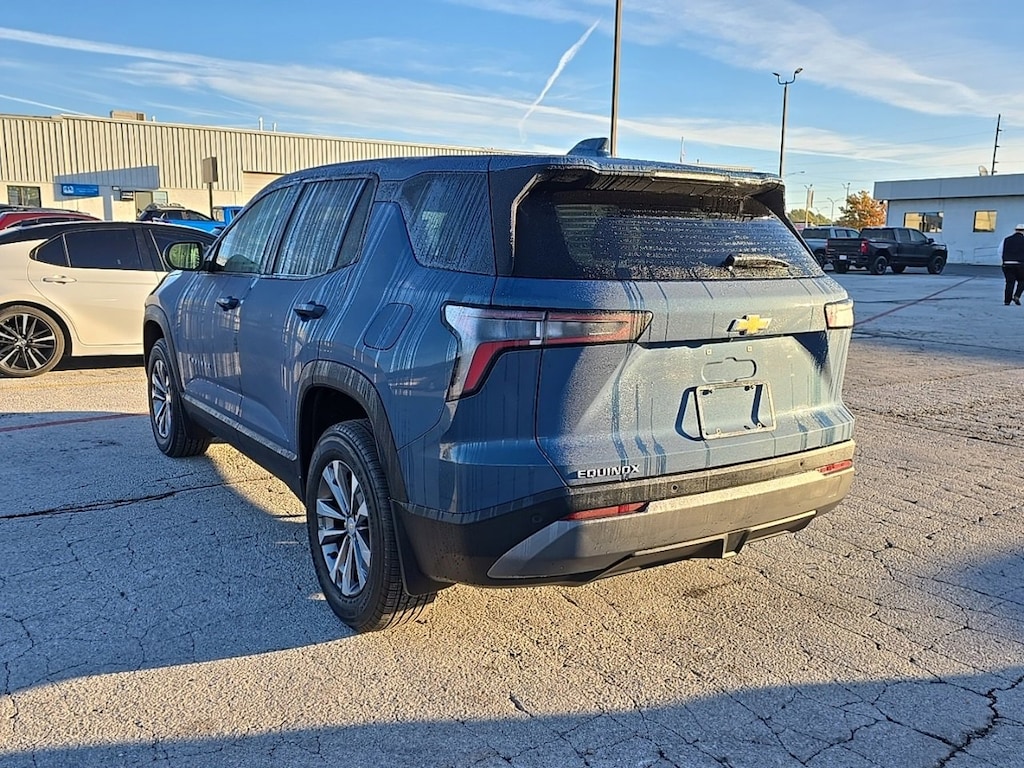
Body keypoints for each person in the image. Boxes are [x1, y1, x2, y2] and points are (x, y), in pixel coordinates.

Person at [997, 224, 1024, 305]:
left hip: (1007, 264)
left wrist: (1005, 260)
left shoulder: (1006, 239)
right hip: (1020, 264)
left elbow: (999, 251)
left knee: (1009, 282)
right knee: (1022, 281)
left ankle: (1007, 301)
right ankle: (1017, 296)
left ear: (1015, 230)